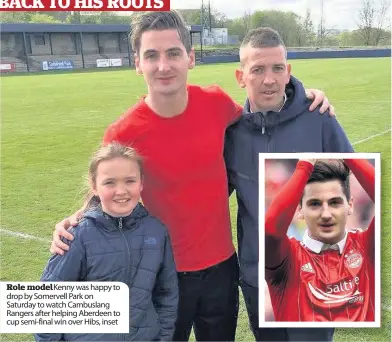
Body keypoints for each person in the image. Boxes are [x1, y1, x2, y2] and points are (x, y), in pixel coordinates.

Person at [50, 11, 333, 341]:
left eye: (173, 53)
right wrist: (74, 220)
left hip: (222, 271)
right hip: (161, 273)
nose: (163, 66)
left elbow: (264, 113)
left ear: (190, 58)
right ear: (138, 63)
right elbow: (107, 193)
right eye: (151, 55)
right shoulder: (123, 133)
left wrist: (304, 96)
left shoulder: (216, 104)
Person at [224, 27, 354, 340]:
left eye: (277, 68)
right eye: (257, 70)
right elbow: (206, 194)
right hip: (261, 280)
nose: (268, 79)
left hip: (314, 280)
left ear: (288, 71)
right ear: (241, 77)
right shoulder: (232, 132)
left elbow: (353, 187)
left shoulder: (319, 117)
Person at [35, 143, 178, 341]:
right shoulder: (77, 236)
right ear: (94, 187)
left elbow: (167, 294)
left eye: (130, 181)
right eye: (110, 182)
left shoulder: (157, 232)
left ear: (141, 183)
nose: (121, 191)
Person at [265, 158, 375, 321]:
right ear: (300, 210)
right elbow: (271, 230)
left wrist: (344, 153)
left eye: (335, 203)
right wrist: (304, 166)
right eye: (315, 204)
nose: (326, 214)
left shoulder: (367, 246)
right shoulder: (288, 259)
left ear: (350, 205)